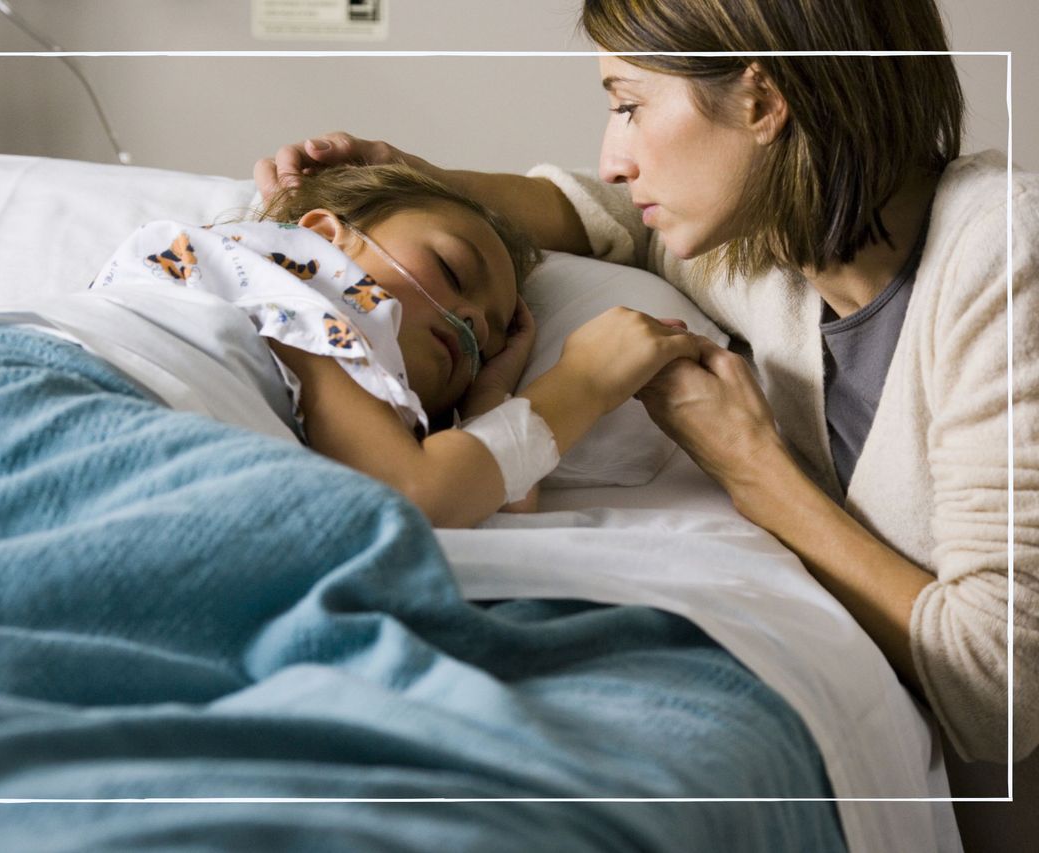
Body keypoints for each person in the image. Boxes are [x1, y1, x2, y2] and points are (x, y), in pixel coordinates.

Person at [253, 0, 1038, 795]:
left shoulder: (1002, 261)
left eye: (628, 106)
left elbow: (998, 687)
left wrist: (754, 469)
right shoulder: (766, 252)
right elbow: (612, 222)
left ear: (763, 103)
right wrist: (410, 182)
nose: (614, 158)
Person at [0, 163, 702, 529]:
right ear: (325, 237)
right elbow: (421, 492)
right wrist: (584, 381)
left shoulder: (348, 399)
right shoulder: (291, 279)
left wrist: (487, 391)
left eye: (493, 334)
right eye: (451, 269)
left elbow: (501, 487)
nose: (469, 323)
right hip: (27, 389)